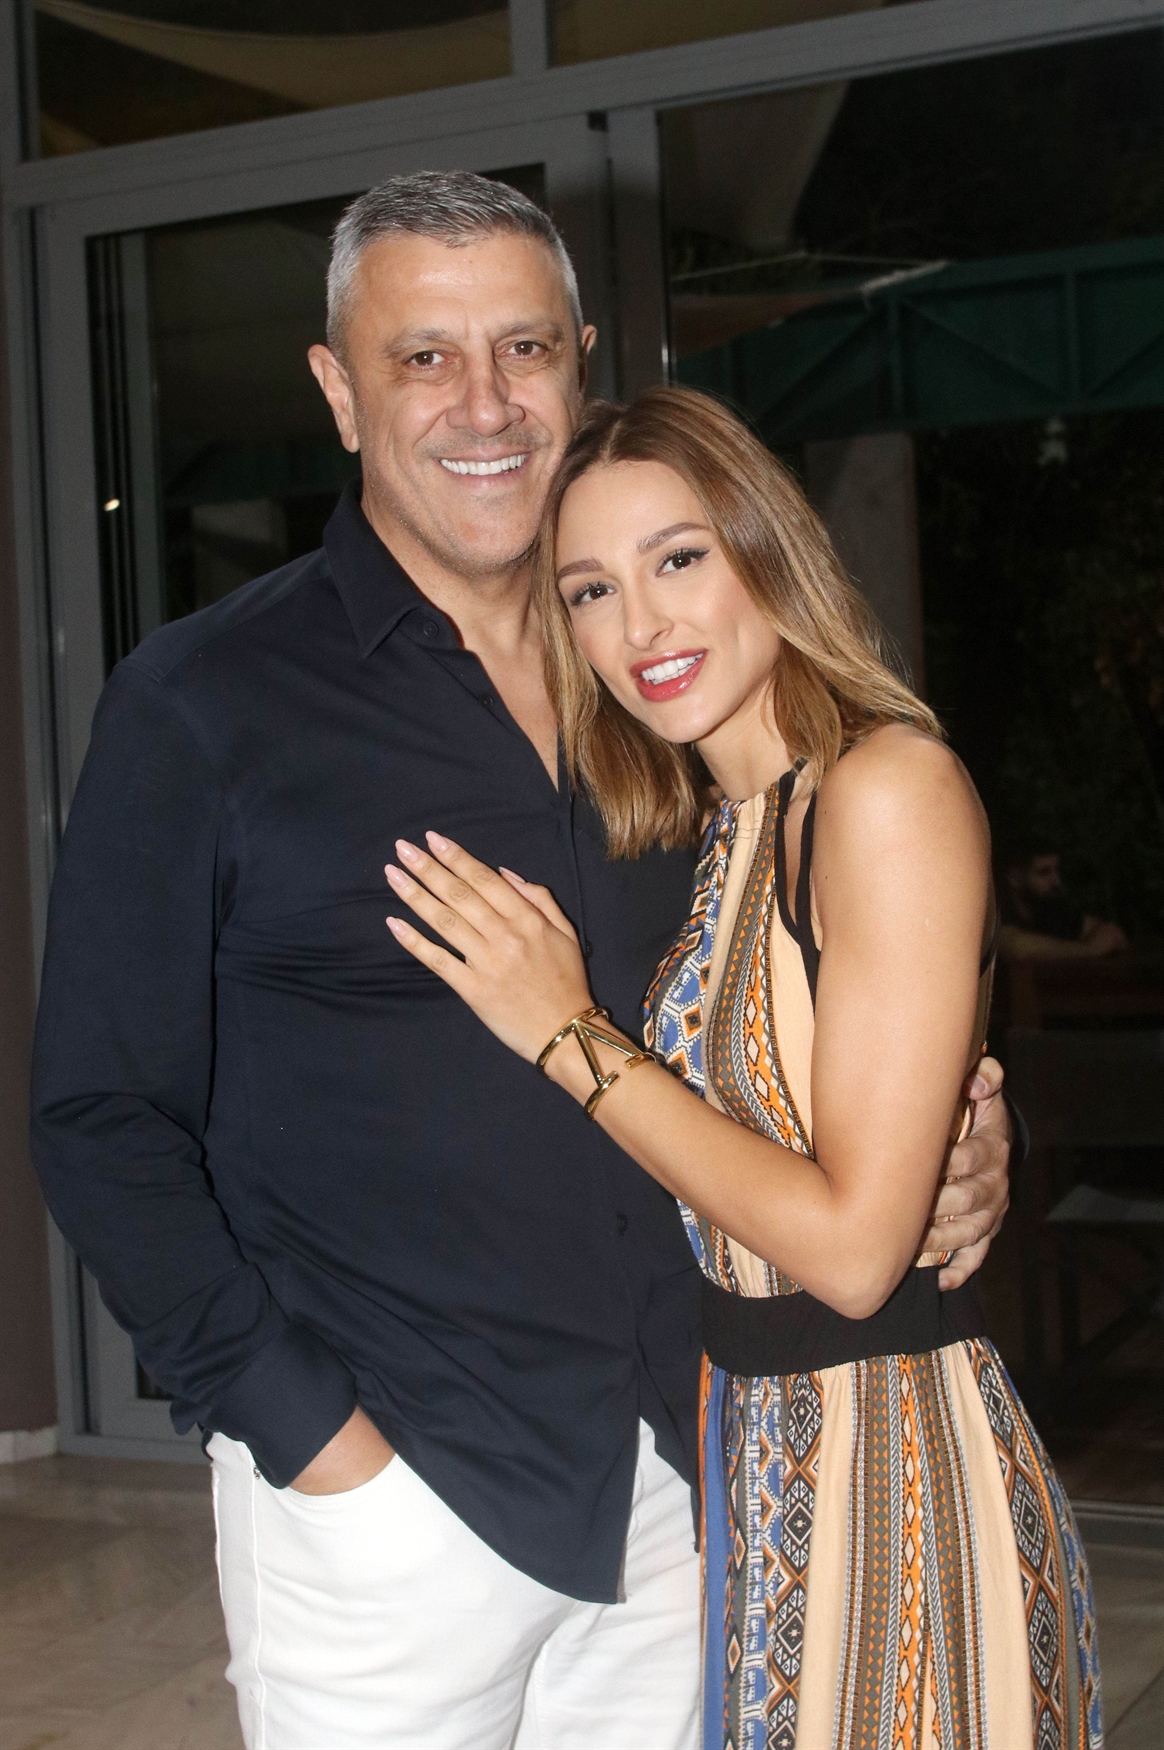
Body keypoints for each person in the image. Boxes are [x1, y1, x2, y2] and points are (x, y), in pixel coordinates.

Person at [30, 175, 1011, 1750]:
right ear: (339, 390)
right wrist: (315, 1443)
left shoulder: (665, 692)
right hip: (400, 1494)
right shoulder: (202, 703)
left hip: (687, 1468)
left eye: (525, 348)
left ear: (583, 362)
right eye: (424, 356)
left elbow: (796, 994)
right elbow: (100, 1119)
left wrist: (952, 1128)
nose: (484, 403)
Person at [385, 387, 1100, 1750]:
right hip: (770, 1473)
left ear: (768, 546)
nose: (642, 625)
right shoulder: (729, 826)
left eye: (679, 557)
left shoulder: (884, 789)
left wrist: (568, 1034)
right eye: (591, 590)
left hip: (902, 1497)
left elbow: (853, 1252)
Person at [1000, 842, 1128, 960]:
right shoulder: (998, 907)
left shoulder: (1048, 910)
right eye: (1044, 872)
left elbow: (1099, 928)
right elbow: (1014, 945)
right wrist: (1088, 949)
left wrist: (1108, 936)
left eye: (1057, 871)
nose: (1056, 882)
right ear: (1015, 878)